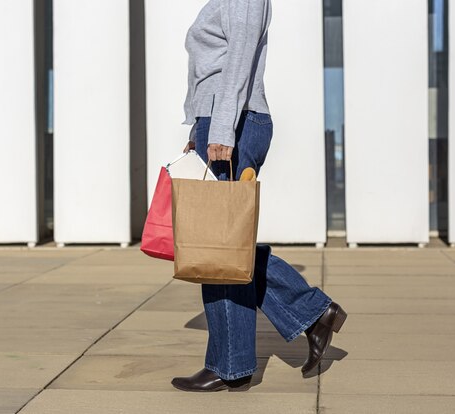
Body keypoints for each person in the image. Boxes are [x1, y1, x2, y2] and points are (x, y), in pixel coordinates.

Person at [171, 0, 347, 392]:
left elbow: (240, 56)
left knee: (219, 248)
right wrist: (200, 128)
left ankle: (230, 365)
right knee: (225, 244)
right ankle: (313, 313)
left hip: (234, 121)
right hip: (222, 120)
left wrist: (218, 127)